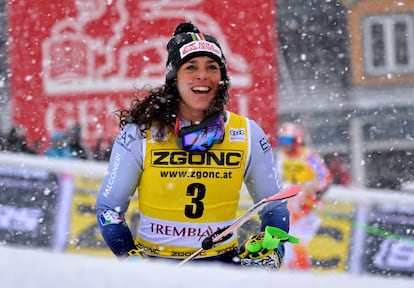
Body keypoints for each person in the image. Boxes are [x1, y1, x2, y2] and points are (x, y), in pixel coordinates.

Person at [96, 22, 295, 270]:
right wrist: (131, 259)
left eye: (212, 67)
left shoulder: (247, 133)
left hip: (223, 267)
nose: (202, 75)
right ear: (174, 78)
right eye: (191, 67)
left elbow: (274, 206)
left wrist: (272, 246)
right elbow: (108, 210)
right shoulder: (141, 133)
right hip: (157, 268)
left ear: (222, 78)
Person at [275, 122, 332, 270]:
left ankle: (303, 274)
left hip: (310, 205)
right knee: (287, 242)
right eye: (282, 140)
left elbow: (326, 178)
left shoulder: (308, 155)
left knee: (299, 240)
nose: (284, 145)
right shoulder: (282, 156)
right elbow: (279, 178)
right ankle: (293, 276)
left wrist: (314, 193)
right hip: (293, 205)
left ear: (297, 140)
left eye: (287, 141)